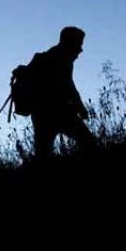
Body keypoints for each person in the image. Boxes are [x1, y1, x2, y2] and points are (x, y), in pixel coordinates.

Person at [28, 26, 96, 159]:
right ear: (70, 42)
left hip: (40, 114)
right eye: (79, 44)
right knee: (89, 142)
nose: (80, 51)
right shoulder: (61, 58)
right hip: (58, 112)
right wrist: (80, 108)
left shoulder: (53, 55)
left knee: (42, 156)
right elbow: (68, 86)